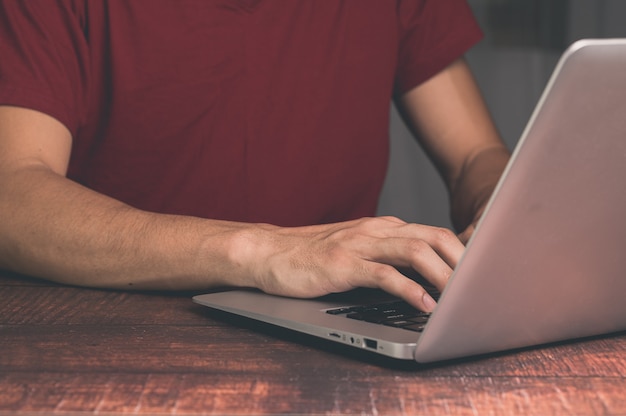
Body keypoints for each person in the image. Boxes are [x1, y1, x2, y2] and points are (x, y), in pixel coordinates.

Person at [0, 0, 510, 313]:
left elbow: (475, 155)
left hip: (333, 324)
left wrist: (501, 205)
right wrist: (262, 252)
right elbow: (13, 194)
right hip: (114, 326)